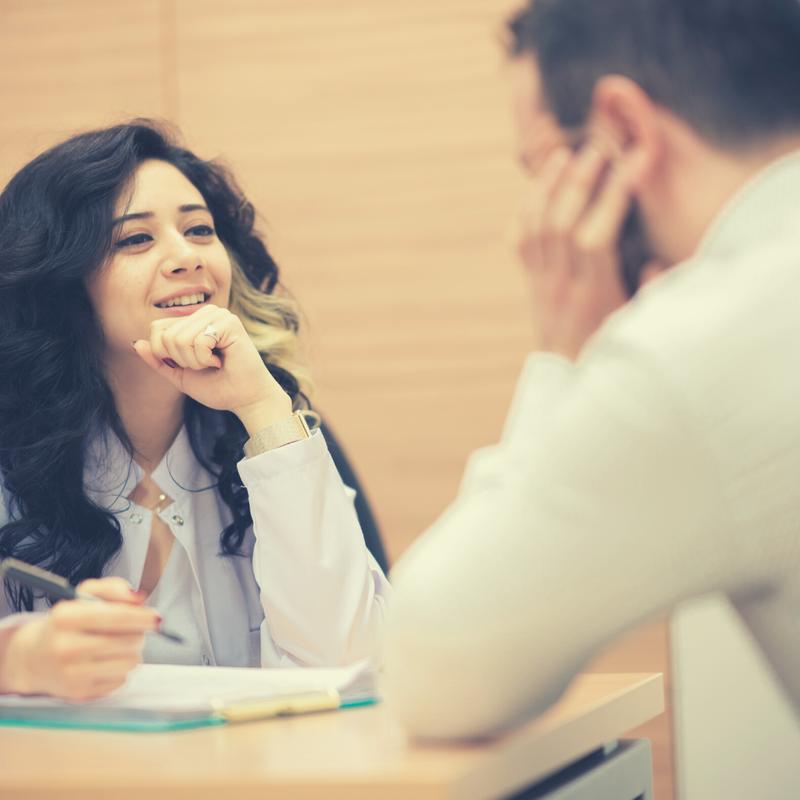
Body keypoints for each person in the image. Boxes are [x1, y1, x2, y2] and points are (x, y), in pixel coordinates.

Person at [383, 0, 800, 739]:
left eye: (548, 168)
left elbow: (433, 670)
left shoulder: (699, 344)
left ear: (626, 129)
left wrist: (563, 358)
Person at [0, 121, 390, 701]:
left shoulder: (280, 436)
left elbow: (346, 665)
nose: (187, 256)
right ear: (62, 284)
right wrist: (17, 662)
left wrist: (262, 406)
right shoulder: (12, 456)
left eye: (199, 229)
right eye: (135, 239)